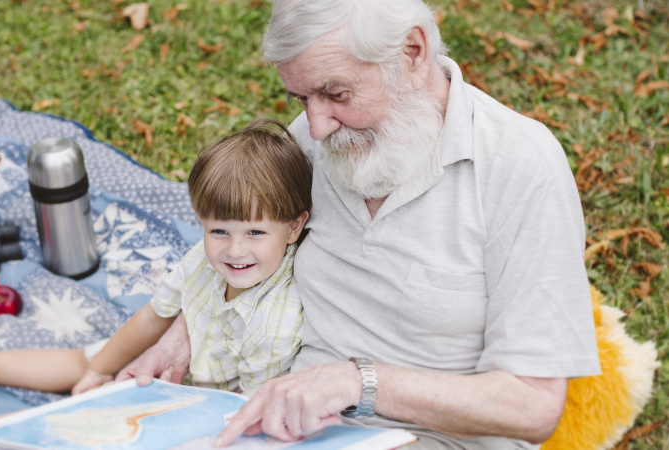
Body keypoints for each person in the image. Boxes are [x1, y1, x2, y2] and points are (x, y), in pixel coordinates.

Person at [125, 1, 601, 449]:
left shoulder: (519, 166)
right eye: (300, 96)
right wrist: (186, 334)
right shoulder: (318, 137)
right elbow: (249, 246)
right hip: (280, 418)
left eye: (337, 93)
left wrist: (358, 381)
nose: (316, 127)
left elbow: (533, 406)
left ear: (412, 52)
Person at [0, 118, 313, 449]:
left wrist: (120, 399)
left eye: (255, 234)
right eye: (219, 231)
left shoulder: (277, 320)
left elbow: (245, 414)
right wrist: (97, 370)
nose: (235, 250)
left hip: (193, 407)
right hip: (165, 364)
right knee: (86, 357)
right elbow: (151, 318)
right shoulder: (201, 261)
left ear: (294, 228)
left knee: (92, 431)